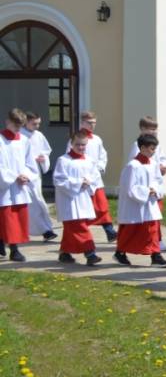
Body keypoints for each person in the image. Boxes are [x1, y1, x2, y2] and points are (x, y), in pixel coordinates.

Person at [114, 133, 166, 267]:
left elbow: (158, 180)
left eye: (154, 149)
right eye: (151, 149)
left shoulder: (153, 164)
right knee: (131, 230)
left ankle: (156, 255)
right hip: (135, 205)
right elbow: (129, 187)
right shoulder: (132, 166)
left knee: (153, 228)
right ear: (143, 148)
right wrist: (146, 191)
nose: (153, 152)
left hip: (150, 203)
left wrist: (155, 189)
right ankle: (120, 252)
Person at [53, 130, 102, 266]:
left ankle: (65, 253)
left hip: (83, 198)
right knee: (79, 227)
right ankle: (90, 254)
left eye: (83, 145)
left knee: (72, 228)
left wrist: (89, 181)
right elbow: (59, 180)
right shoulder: (63, 160)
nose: (80, 147)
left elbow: (95, 176)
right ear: (71, 144)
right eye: (77, 144)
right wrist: (79, 182)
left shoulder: (89, 161)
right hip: (68, 200)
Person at [72, 111, 116, 242]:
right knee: (84, 209)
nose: (92, 125)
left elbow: (103, 156)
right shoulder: (75, 139)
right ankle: (78, 234)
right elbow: (70, 157)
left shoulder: (97, 139)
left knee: (102, 206)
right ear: (82, 123)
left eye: (94, 123)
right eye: (89, 123)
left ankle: (110, 232)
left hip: (95, 179)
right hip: (82, 180)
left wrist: (100, 167)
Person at [0, 108, 36, 262]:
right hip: (4, 188)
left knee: (17, 219)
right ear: (7, 122)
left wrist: (26, 176)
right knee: (7, 219)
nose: (17, 129)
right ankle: (12, 249)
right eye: (15, 125)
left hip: (20, 187)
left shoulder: (24, 141)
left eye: (20, 126)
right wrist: (14, 177)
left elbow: (30, 163)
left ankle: (11, 247)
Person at [128, 117, 166, 249]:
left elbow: (162, 158)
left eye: (155, 129)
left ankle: (157, 239)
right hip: (145, 186)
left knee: (157, 214)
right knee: (149, 216)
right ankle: (153, 241)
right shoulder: (137, 145)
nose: (154, 131)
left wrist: (163, 166)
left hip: (155, 185)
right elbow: (137, 163)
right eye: (151, 129)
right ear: (142, 129)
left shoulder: (157, 144)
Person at [20, 112, 57, 241]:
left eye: (38, 124)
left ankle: (46, 228)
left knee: (38, 201)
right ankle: (45, 230)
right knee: (32, 203)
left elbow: (46, 151)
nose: (37, 126)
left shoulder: (39, 135)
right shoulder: (19, 135)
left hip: (35, 173)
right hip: (22, 174)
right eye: (34, 123)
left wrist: (43, 158)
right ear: (26, 122)